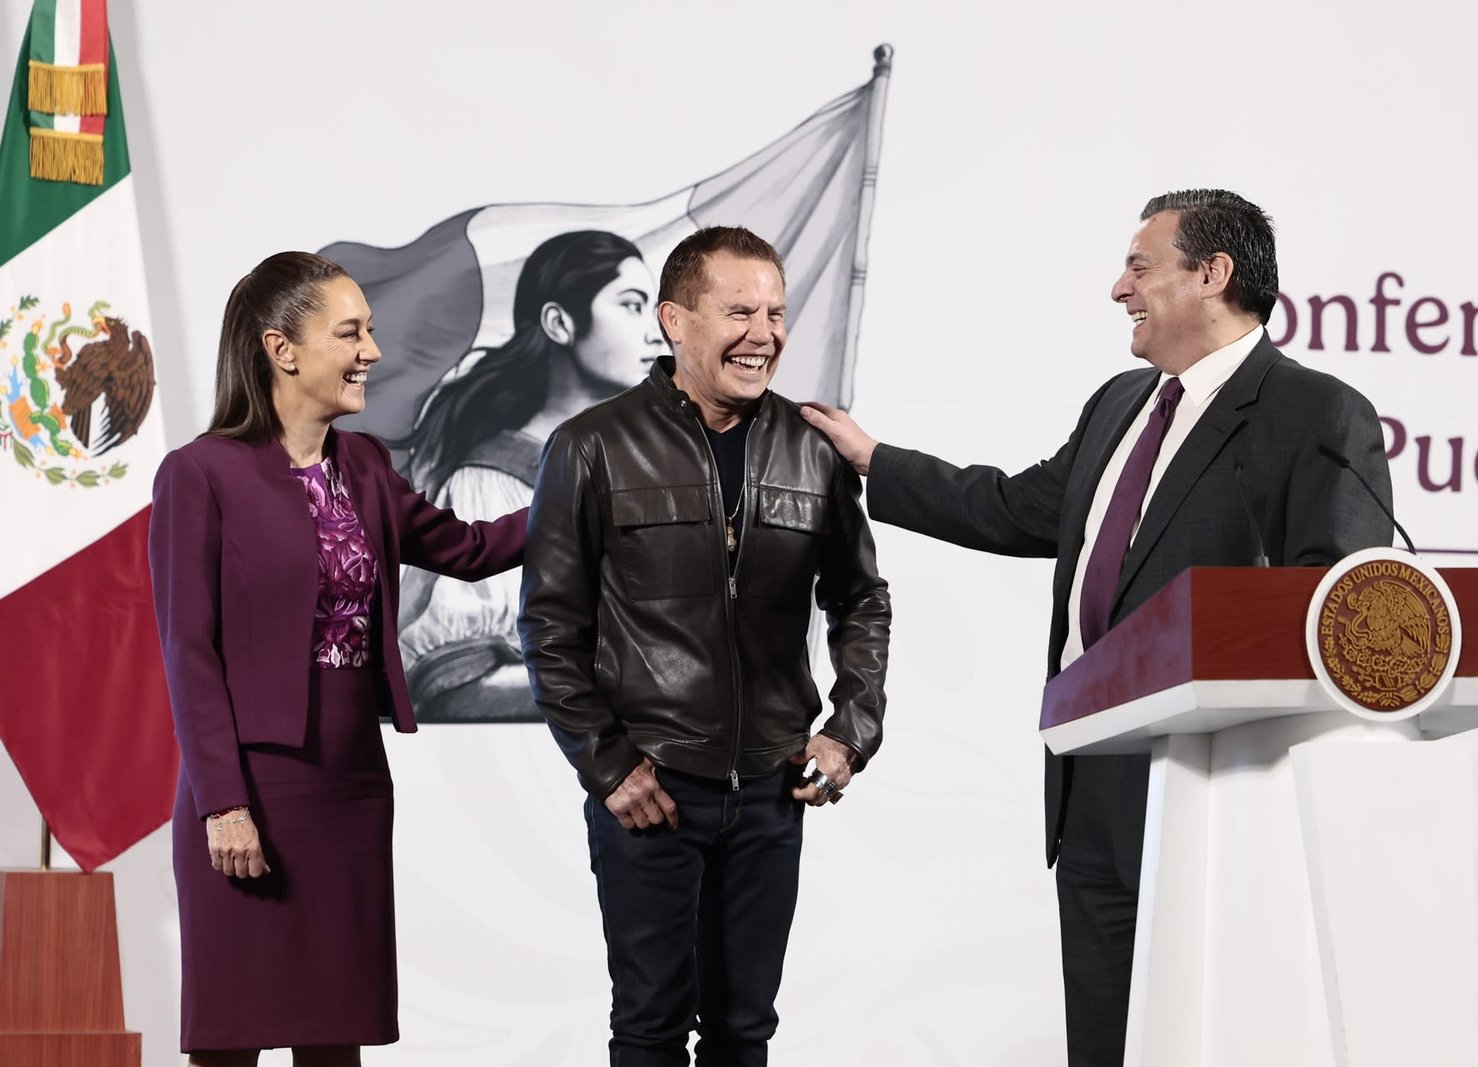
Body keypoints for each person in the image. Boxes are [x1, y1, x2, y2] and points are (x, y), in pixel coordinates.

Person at [800, 189, 1395, 1066]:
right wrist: (874, 460)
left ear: (1213, 273)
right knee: (1104, 1042)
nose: (1119, 288)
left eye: (1139, 267)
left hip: (1216, 789)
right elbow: (1014, 508)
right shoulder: (1121, 402)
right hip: (1092, 783)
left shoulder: (1316, 414)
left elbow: (1339, 609)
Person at [519, 225, 891, 1065]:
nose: (764, 334)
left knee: (744, 1030)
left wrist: (851, 729)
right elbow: (549, 625)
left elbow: (861, 598)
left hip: (771, 788)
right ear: (675, 322)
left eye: (776, 313)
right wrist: (608, 763)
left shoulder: (815, 447)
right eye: (739, 312)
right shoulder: (590, 445)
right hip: (651, 787)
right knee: (650, 1027)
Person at [148, 252, 528, 1066]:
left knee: (335, 1036)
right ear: (281, 349)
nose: (371, 352)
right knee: (230, 1040)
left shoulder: (367, 466)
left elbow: (472, 549)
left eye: (370, 332)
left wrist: (584, 487)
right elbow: (188, 651)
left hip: (351, 787)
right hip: (249, 789)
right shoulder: (199, 474)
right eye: (351, 333)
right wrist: (223, 803)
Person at [395, 230, 668, 722]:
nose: (656, 333)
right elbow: (449, 683)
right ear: (559, 323)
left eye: (655, 309)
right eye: (632, 306)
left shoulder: (652, 470)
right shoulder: (491, 485)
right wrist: (624, 691)